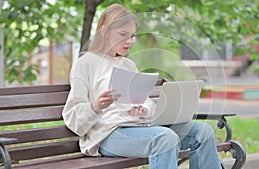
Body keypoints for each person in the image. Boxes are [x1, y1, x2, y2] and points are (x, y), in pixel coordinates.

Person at [62, 4, 221, 169]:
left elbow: (145, 101)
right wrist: (96, 106)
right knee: (164, 138)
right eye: (123, 34)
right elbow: (73, 119)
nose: (129, 41)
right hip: (107, 135)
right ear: (104, 32)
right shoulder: (85, 63)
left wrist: (143, 109)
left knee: (202, 132)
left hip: (139, 128)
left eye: (132, 36)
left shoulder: (128, 64)